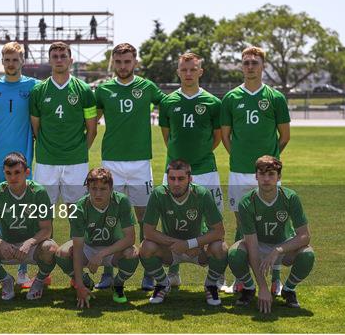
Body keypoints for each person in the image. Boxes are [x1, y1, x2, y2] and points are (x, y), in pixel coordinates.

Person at [94, 43, 165, 291]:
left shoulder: (147, 87)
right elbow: (90, 118)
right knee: (109, 218)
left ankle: (149, 272)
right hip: (111, 161)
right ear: (114, 62)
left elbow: (169, 106)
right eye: (119, 62)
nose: (123, 66)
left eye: (127, 61)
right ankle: (107, 271)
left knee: (144, 219)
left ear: (135, 62)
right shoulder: (103, 90)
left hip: (140, 163)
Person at [221, 46, 291, 294]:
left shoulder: (276, 97)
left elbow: (284, 136)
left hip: (267, 175)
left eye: (254, 62)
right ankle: (242, 279)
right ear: (242, 66)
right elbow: (226, 137)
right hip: (239, 171)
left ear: (263, 66)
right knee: (241, 224)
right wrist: (240, 157)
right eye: (246, 62)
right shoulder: (230, 98)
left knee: (272, 224)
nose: (250, 66)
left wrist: (269, 163)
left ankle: (275, 279)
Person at [158, 52, 224, 287]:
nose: (188, 73)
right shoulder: (168, 102)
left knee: (213, 220)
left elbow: (216, 138)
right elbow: (168, 137)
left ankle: (216, 274)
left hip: (205, 169)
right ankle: (173, 272)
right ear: (178, 72)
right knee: (171, 220)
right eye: (184, 69)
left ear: (200, 71)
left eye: (192, 69)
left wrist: (200, 154)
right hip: (174, 171)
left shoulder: (213, 103)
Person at [0, 42, 41, 287]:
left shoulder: (33, 86)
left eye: (15, 59)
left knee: (23, 215)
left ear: (22, 61)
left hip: (21, 158)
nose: (10, 64)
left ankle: (23, 271)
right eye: (6, 59)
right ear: (2, 61)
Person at [228, 155, 315, 312]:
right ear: (256, 176)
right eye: (262, 174)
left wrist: (278, 250)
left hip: (283, 246)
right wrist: (263, 287)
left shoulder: (290, 197)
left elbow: (304, 236)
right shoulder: (246, 203)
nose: (266, 179)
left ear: (279, 177)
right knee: (234, 253)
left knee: (307, 254)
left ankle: (289, 290)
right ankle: (249, 288)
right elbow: (252, 245)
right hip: (259, 246)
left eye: (271, 174)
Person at [139, 159, 228, 305]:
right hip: (171, 249)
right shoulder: (158, 194)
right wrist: (178, 244)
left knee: (221, 248)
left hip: (198, 249)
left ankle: (210, 285)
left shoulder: (202, 194)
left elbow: (219, 232)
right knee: (145, 247)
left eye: (181, 179)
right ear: (167, 178)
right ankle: (163, 284)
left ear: (190, 179)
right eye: (172, 178)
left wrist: (190, 244)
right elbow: (148, 232)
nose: (176, 183)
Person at [29, 41, 97, 219]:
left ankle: (77, 247)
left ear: (71, 60)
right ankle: (45, 247)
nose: (59, 60)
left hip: (76, 161)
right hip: (46, 160)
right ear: (49, 60)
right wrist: (47, 146)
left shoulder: (84, 90)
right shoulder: (38, 90)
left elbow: (92, 128)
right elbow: (35, 126)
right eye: (55, 57)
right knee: (43, 212)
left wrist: (80, 149)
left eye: (63, 56)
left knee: (76, 213)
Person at [0, 152, 58, 301]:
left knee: (51, 248)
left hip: (34, 248)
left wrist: (29, 242)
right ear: (4, 173)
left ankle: (39, 281)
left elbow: (47, 229)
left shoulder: (38, 192)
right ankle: (6, 280)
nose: (12, 177)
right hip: (9, 248)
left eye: (17, 173)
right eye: (8, 173)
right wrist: (0, 243)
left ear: (27, 172)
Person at [55, 168, 139, 307]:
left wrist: (101, 254)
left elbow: (130, 238)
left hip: (113, 249)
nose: (98, 193)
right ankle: (84, 282)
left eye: (103, 189)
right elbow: (77, 248)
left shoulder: (121, 201)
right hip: (88, 248)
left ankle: (118, 284)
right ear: (87, 188)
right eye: (93, 188)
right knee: (61, 253)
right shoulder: (79, 207)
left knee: (133, 253)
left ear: (111, 188)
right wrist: (79, 285)